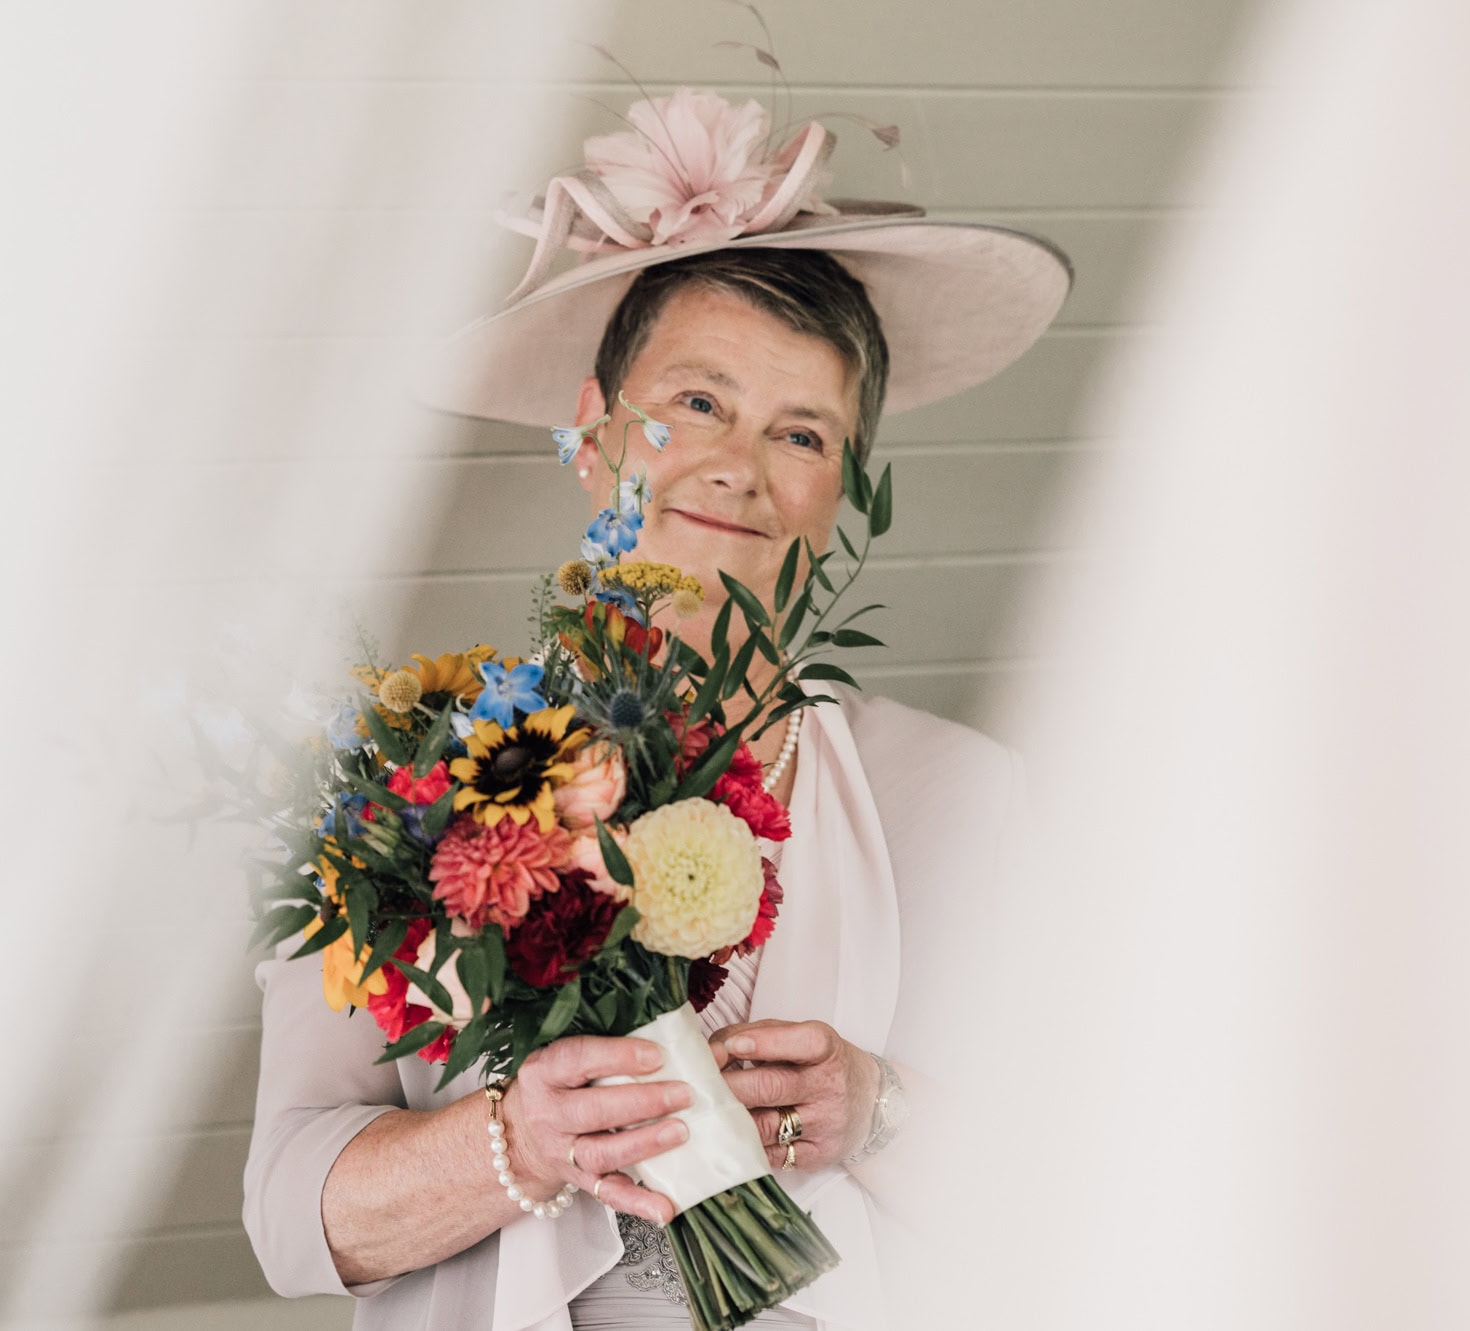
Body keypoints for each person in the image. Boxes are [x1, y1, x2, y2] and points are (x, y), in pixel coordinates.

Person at [243, 90, 1071, 1331]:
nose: (737, 460)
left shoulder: (969, 795)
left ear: (840, 486)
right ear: (591, 428)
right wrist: (512, 1141)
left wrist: (880, 1106)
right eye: (696, 401)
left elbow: (1081, 1192)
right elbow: (289, 1215)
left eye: (800, 429)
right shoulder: (406, 780)